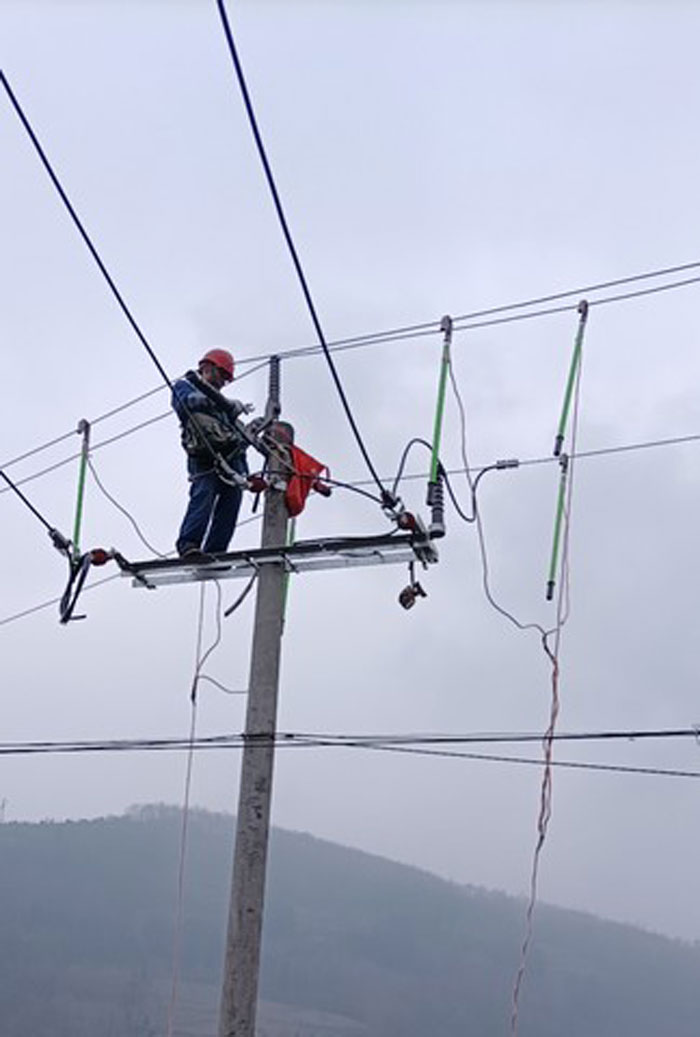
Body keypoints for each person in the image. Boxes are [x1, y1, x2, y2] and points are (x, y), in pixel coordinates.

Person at [171, 348, 252, 558]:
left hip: (230, 460)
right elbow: (187, 403)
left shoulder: (221, 406)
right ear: (208, 368)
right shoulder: (185, 386)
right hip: (204, 458)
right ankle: (188, 544)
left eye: (226, 379)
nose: (223, 382)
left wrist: (245, 473)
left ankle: (216, 552)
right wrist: (224, 404)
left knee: (231, 502)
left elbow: (233, 435)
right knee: (203, 495)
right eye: (222, 376)